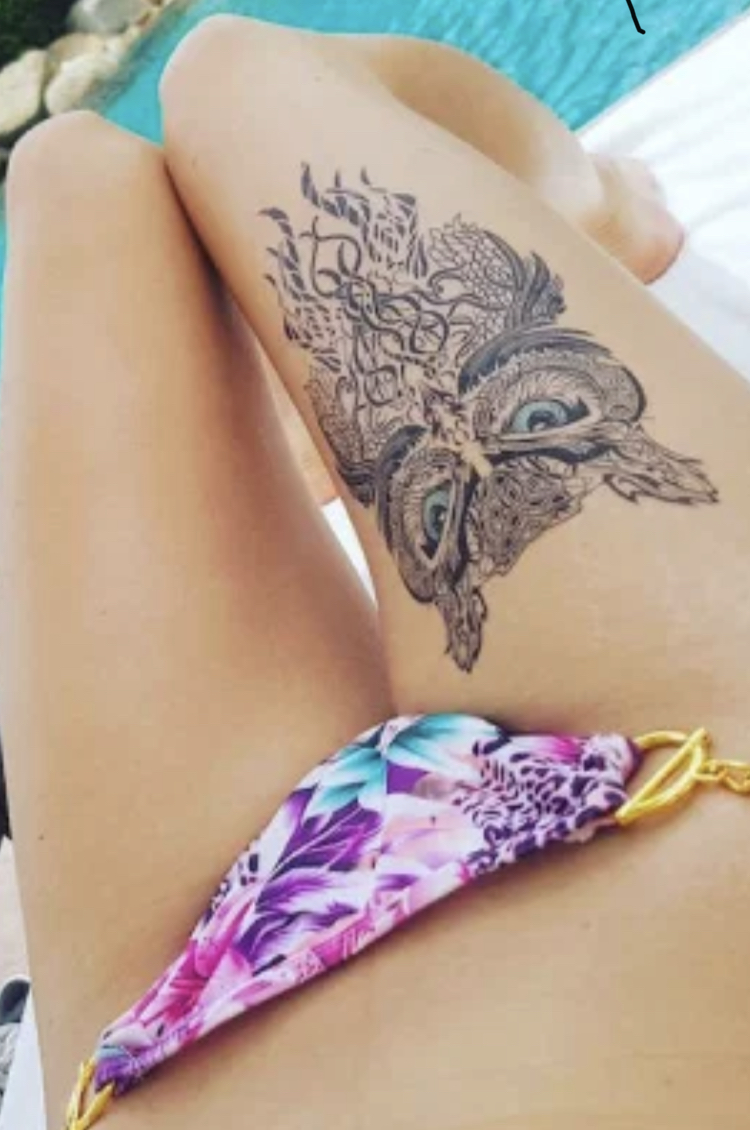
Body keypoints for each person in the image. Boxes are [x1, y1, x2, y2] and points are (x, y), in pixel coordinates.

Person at [0, 19, 748, 1130]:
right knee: (231, 74)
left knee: (68, 170)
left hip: (178, 1045)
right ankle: (598, 216)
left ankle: (284, 422)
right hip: (681, 847)